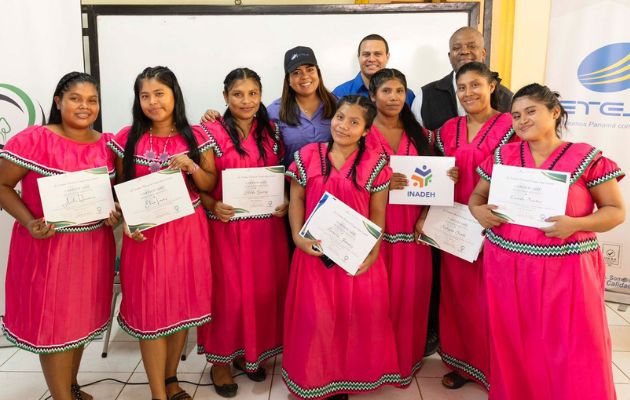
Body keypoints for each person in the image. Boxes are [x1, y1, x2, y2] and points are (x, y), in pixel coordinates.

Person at [470, 83, 625, 400]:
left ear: (554, 112)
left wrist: (576, 224)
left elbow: (616, 212)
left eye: (530, 111)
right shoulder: (504, 156)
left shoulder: (586, 158)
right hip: (507, 269)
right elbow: (477, 196)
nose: (522, 120)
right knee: (514, 342)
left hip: (567, 273)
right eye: (515, 115)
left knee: (573, 345)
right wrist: (478, 211)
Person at [0, 72, 119, 400]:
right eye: (76, 99)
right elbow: (2, 185)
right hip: (48, 249)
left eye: (92, 100)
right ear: (58, 102)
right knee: (55, 326)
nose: (85, 106)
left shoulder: (106, 145)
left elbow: (113, 195)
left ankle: (71, 386)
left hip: (94, 248)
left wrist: (116, 211)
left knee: (79, 324)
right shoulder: (33, 140)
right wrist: (29, 221)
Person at [282, 95, 400, 400]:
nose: (343, 126)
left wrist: (373, 253)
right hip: (313, 255)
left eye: (354, 122)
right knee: (317, 319)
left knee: (351, 320)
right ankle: (315, 377)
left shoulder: (376, 165)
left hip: (355, 256)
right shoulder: (308, 155)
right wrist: (297, 237)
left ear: (365, 130)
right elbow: (295, 199)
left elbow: (377, 215)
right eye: (340, 118)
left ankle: (342, 379)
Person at [109, 66, 216, 400]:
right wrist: (124, 215)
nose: (152, 102)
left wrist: (191, 166)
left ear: (174, 96)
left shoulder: (196, 136)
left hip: (187, 233)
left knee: (180, 310)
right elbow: (118, 187)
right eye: (145, 96)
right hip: (145, 237)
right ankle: (158, 393)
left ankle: (172, 381)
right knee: (151, 312)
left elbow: (210, 183)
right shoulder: (126, 136)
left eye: (159, 94)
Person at [196, 67, 290, 398]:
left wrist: (287, 200)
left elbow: (285, 176)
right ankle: (221, 362)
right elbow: (199, 183)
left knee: (261, 292)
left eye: (252, 94)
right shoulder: (208, 132)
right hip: (226, 229)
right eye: (238, 94)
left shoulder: (275, 132)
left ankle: (251, 354)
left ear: (261, 96)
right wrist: (210, 203)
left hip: (267, 229)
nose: (246, 101)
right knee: (228, 295)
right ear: (225, 97)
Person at [366, 68, 457, 385]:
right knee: (375, 300)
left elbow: (437, 183)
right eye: (386, 91)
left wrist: (449, 177)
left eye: (399, 91)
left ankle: (403, 362)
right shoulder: (359, 133)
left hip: (413, 232)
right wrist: (380, 182)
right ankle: (372, 364)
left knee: (411, 298)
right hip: (374, 230)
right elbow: (344, 177)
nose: (393, 97)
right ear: (373, 96)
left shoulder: (423, 136)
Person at [433, 62, 517, 391]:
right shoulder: (447, 129)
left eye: (475, 85)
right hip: (455, 223)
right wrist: (445, 175)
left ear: (492, 86)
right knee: (458, 296)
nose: (469, 93)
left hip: (496, 223)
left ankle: (498, 368)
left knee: (495, 299)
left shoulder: (512, 123)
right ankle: (462, 364)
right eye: (462, 88)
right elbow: (436, 173)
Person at [411, 26, 513, 131]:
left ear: (483, 53)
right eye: (456, 48)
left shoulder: (507, 98)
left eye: (472, 46)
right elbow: (416, 141)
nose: (464, 51)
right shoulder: (425, 96)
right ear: (449, 56)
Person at [266, 46, 337, 167]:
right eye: (296, 72)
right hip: (292, 183)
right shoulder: (274, 111)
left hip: (332, 183)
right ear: (288, 79)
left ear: (318, 73)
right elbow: (269, 155)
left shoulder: (338, 105)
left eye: (310, 70)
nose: (305, 76)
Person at [332, 34, 415, 106]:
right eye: (366, 54)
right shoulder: (340, 93)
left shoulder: (407, 95)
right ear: (359, 57)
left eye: (377, 54)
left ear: (387, 57)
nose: (371, 59)